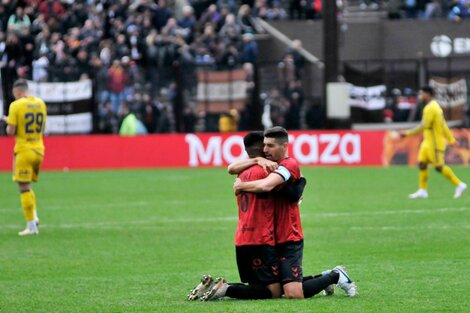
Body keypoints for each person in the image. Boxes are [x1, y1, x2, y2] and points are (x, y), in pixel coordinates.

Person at [189, 129, 356, 301]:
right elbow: (231, 168)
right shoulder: (263, 166)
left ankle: (334, 276)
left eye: (270, 146)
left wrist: (241, 186)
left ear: (284, 146)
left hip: (288, 236)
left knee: (291, 292)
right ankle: (324, 278)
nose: (267, 150)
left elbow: (266, 185)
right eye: (265, 146)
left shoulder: (284, 165)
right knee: (279, 287)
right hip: (269, 237)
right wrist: (257, 161)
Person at [400, 86, 467, 199]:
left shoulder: (431, 108)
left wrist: (407, 133)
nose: (420, 96)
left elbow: (424, 125)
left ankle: (459, 184)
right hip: (427, 142)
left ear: (428, 94)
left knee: (438, 167)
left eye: (422, 94)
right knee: (422, 164)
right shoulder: (434, 107)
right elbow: (444, 125)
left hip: (435, 143)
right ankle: (422, 190)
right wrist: (451, 139)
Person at [2, 79, 47, 236]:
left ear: (18, 92)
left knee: (23, 187)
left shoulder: (16, 106)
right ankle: (34, 217)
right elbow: (42, 126)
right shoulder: (41, 103)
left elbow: (11, 131)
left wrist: (8, 121)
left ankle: (31, 226)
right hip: (39, 150)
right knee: (28, 186)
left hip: (24, 150)